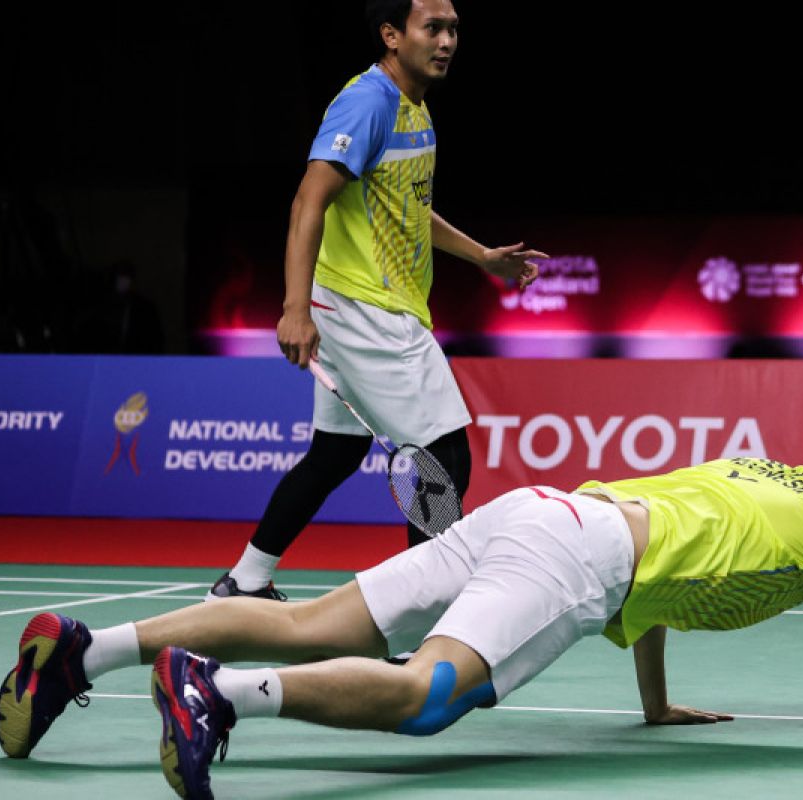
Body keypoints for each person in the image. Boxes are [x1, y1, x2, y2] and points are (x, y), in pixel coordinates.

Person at [0, 396, 803, 799]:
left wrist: (656, 700)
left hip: (535, 512)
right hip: (569, 563)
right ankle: (219, 696)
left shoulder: (756, 477)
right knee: (428, 694)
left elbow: (674, 581)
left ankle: (88, 650)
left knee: (306, 613)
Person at [206, 0, 547, 602]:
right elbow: (308, 200)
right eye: (432, 29)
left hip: (362, 305)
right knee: (443, 455)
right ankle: (417, 623)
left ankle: (245, 582)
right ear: (392, 35)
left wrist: (483, 257)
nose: (446, 41)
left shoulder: (415, 107)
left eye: (453, 30)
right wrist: (293, 308)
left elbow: (408, 209)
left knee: (335, 453)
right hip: (367, 310)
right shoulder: (368, 102)